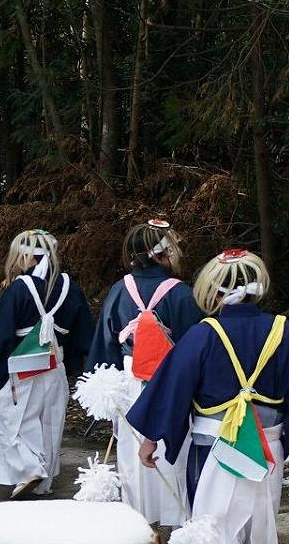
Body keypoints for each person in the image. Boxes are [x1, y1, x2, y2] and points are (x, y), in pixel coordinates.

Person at [126, 249, 289, 544]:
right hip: (267, 449)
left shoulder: (203, 335)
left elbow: (173, 387)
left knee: (214, 532)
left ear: (214, 289)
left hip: (213, 450)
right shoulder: (283, 331)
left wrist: (151, 438)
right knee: (261, 532)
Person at [87, 220, 204, 528]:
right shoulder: (182, 294)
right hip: (173, 385)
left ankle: (138, 525)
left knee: (131, 454)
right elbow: (196, 348)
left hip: (129, 383)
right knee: (173, 452)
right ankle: (178, 526)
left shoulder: (119, 290)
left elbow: (105, 343)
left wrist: (103, 385)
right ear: (162, 253)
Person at [0, 230, 94, 498]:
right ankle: (42, 482)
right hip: (55, 362)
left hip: (22, 363)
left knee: (6, 416)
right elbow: (83, 330)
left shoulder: (20, 287)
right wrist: (78, 364)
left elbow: (1, 328)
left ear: (28, 257)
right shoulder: (68, 286)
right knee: (49, 420)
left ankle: (28, 469)